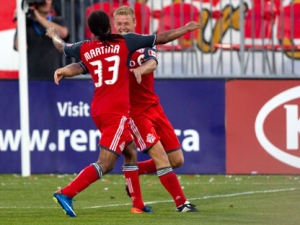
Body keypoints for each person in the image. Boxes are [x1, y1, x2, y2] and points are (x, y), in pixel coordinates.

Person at [46, 9, 201, 217]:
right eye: (119, 23)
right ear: (111, 25)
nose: (123, 27)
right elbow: (163, 38)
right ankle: (181, 203)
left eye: (126, 23)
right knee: (113, 162)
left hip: (144, 106)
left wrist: (55, 40)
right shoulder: (123, 44)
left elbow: (151, 61)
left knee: (156, 157)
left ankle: (138, 202)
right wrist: (186, 29)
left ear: (134, 23)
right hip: (126, 111)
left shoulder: (96, 46)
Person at [13, 0, 68, 80]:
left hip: (56, 77)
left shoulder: (58, 21)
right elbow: (19, 47)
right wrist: (21, 20)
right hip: (33, 78)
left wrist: (38, 18)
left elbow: (63, 34)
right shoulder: (27, 24)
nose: (45, 2)